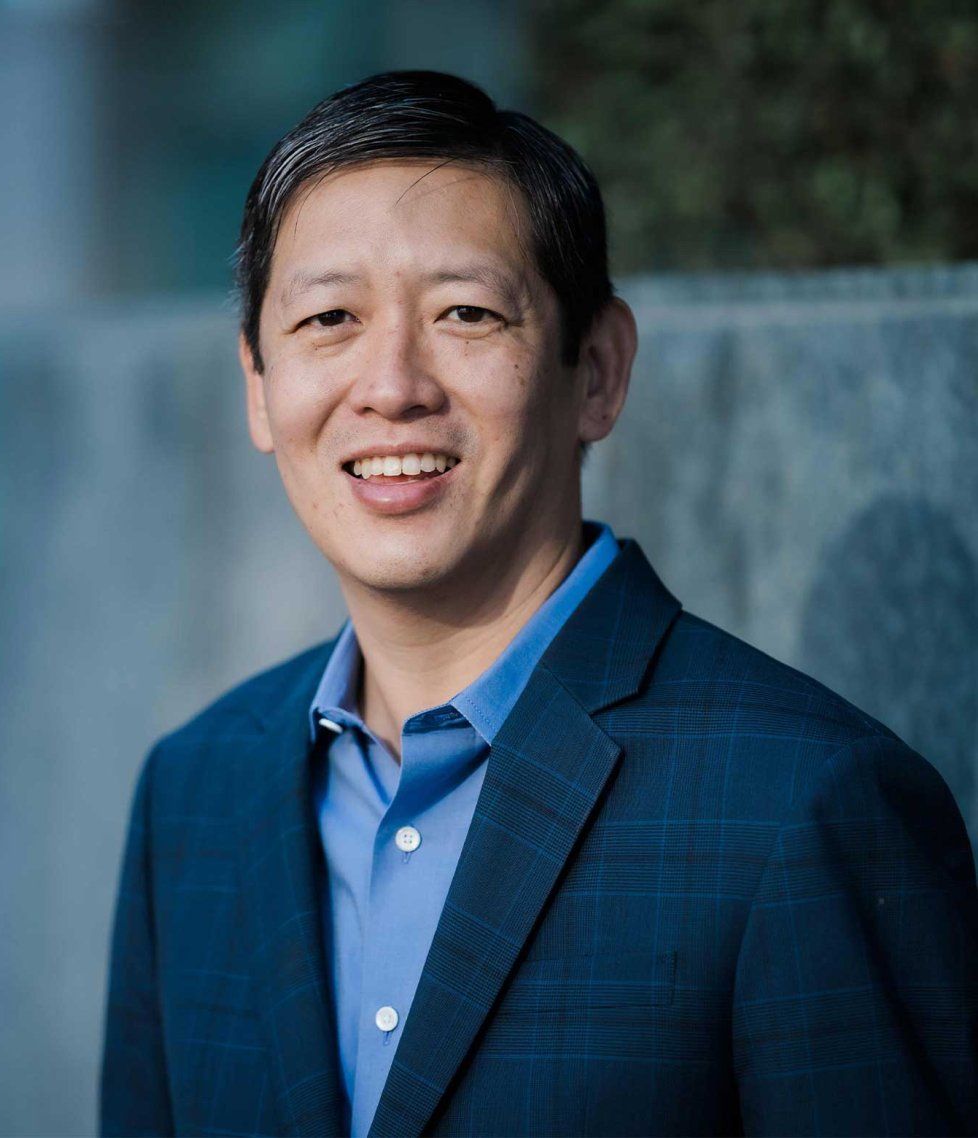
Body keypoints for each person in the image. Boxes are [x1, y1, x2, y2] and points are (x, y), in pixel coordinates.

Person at [100, 71, 978, 1138]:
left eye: (465, 313)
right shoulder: (194, 794)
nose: (392, 385)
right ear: (257, 384)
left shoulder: (807, 804)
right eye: (330, 318)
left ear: (598, 371)